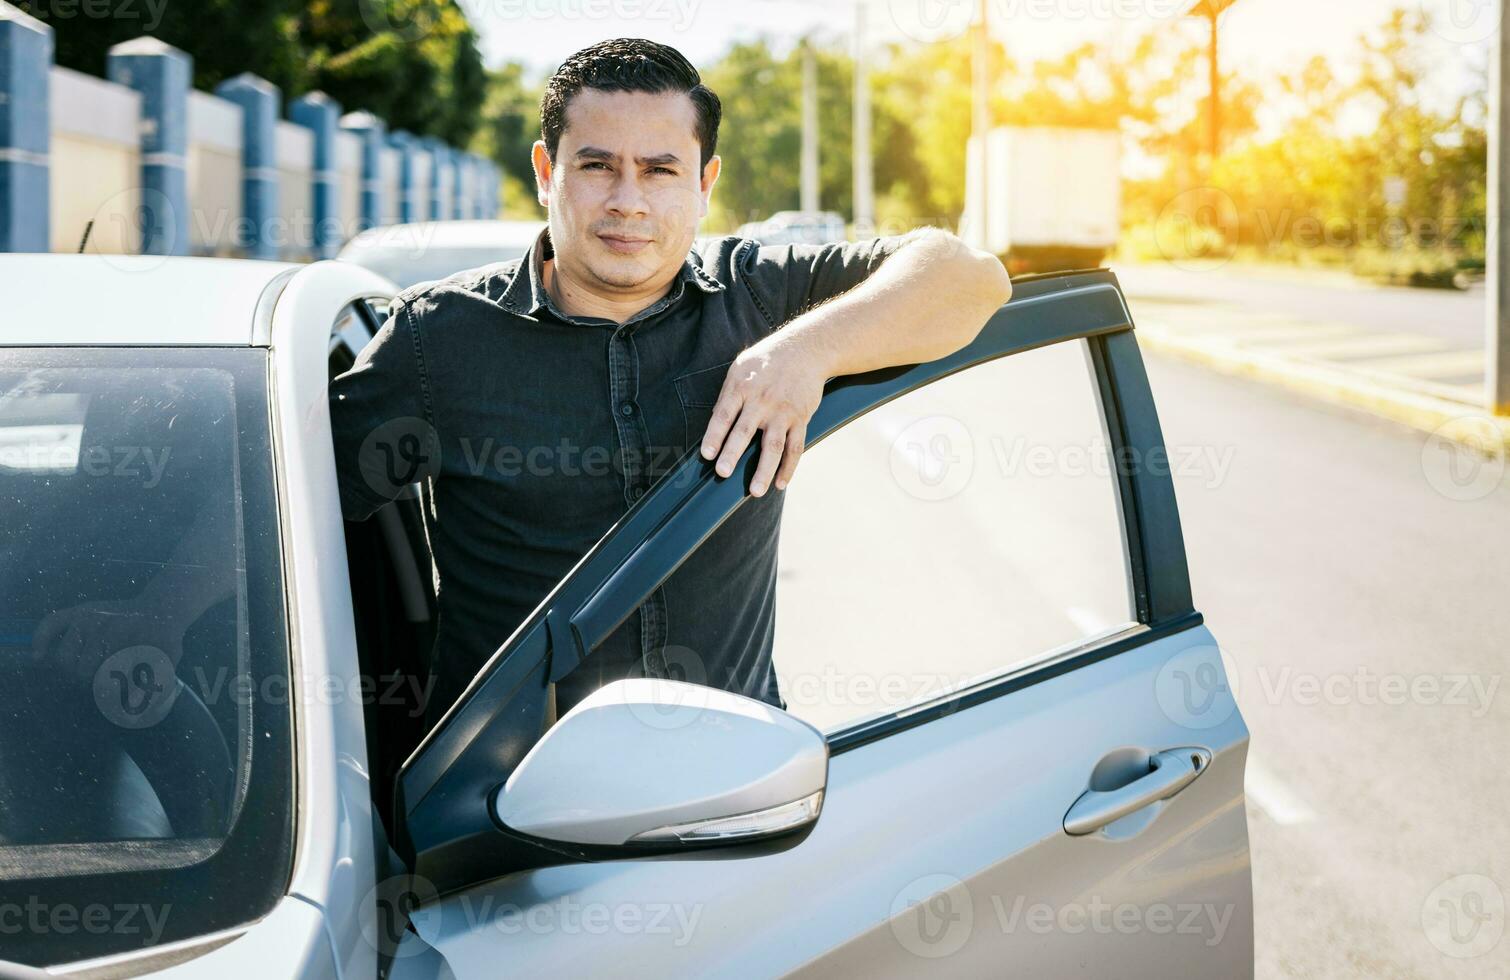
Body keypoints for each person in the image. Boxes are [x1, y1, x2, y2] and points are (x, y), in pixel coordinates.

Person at [329, 38, 1014, 727]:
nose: (628, 202)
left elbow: (971, 278)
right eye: (598, 166)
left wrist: (806, 352)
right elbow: (282, 524)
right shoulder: (435, 339)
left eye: (660, 171)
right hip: (500, 803)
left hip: (732, 786)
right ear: (547, 171)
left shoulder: (759, 298)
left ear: (705, 184)